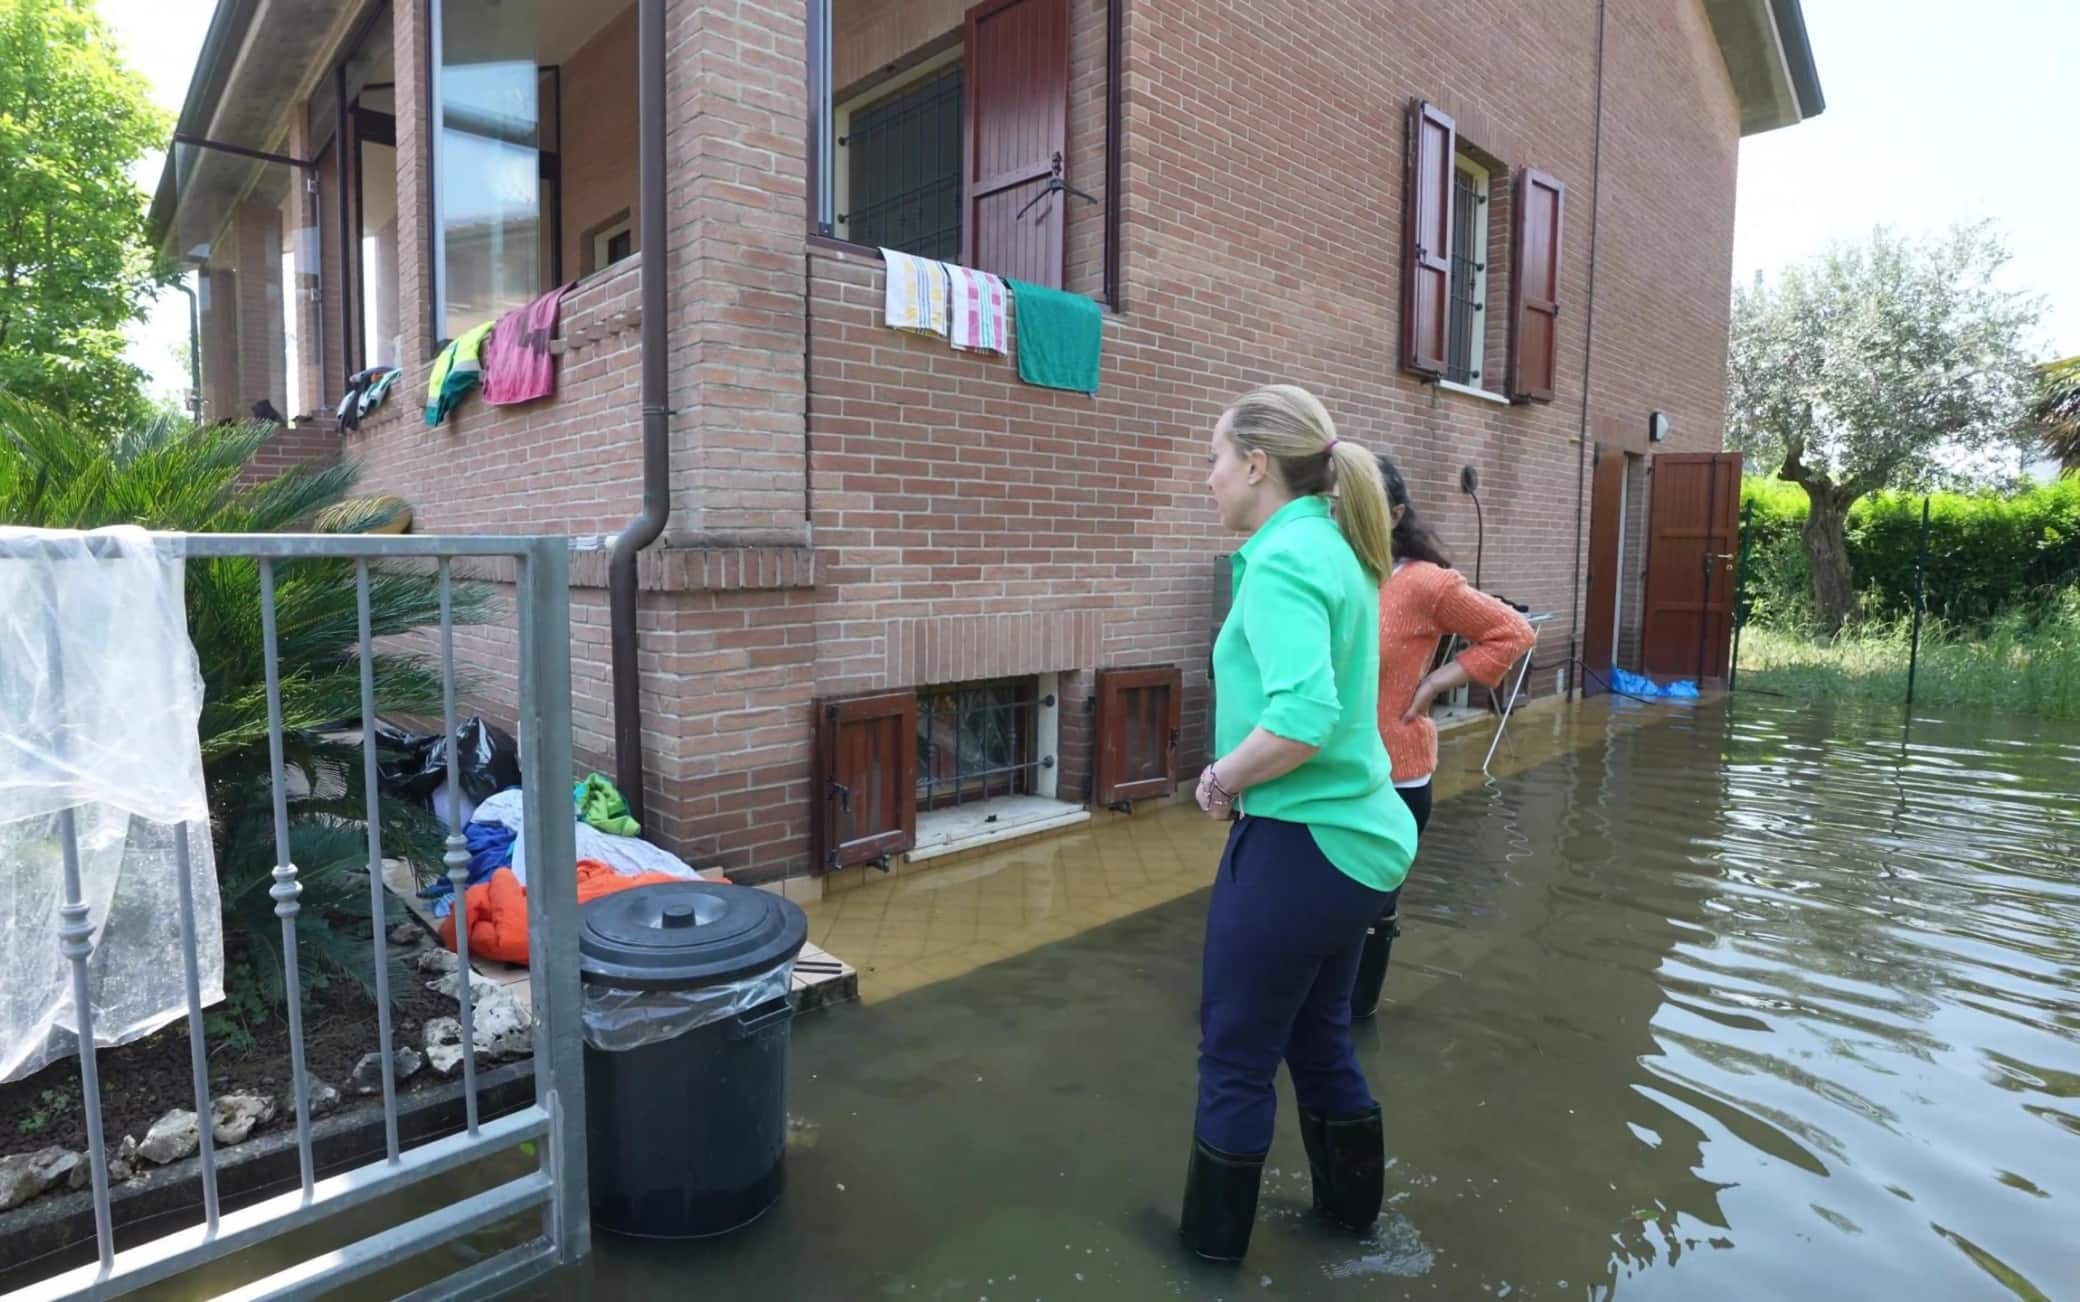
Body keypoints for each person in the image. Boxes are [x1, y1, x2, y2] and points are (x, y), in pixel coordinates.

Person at [1183, 385, 1418, 1263]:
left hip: (1298, 841)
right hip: (1359, 846)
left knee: (1233, 1060)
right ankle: (1352, 1229)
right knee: (1319, 1039)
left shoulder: (1283, 560)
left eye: (1214, 458)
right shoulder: (1340, 546)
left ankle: (1206, 1261)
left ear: (1255, 464)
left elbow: (1302, 716)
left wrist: (1219, 778)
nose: (1206, 479)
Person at [1347, 454, 1536, 1020]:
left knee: (1374, 908)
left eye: (1361, 505)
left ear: (1395, 513)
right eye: (1338, 503)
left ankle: (1357, 1024)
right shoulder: (1334, 573)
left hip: (1394, 773)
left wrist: (1435, 682)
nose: (1345, 515)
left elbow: (1513, 631)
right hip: (1330, 770)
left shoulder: (1424, 583)